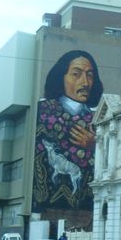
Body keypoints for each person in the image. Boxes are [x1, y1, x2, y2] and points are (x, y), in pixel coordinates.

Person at [32, 50, 103, 213]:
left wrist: (95, 147)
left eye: (90, 75)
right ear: (61, 77)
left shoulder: (98, 119)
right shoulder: (43, 110)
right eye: (76, 74)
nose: (85, 82)